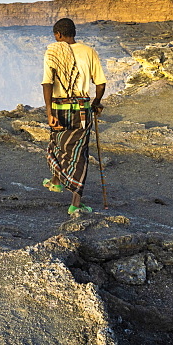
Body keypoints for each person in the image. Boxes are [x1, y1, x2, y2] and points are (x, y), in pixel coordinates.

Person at [41, 17, 106, 215]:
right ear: (74, 33)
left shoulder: (52, 51)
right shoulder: (89, 52)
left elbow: (47, 84)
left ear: (58, 35)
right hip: (81, 109)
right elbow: (101, 85)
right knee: (78, 152)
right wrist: (95, 103)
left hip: (59, 107)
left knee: (57, 143)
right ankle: (75, 203)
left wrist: (49, 112)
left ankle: (55, 181)